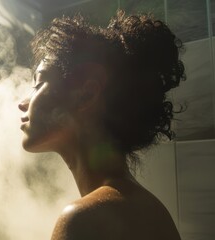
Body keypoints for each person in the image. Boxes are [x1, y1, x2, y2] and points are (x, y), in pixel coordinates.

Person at [18, 11, 184, 240]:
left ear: (86, 95)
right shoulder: (152, 210)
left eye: (38, 84)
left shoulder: (82, 221)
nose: (22, 103)